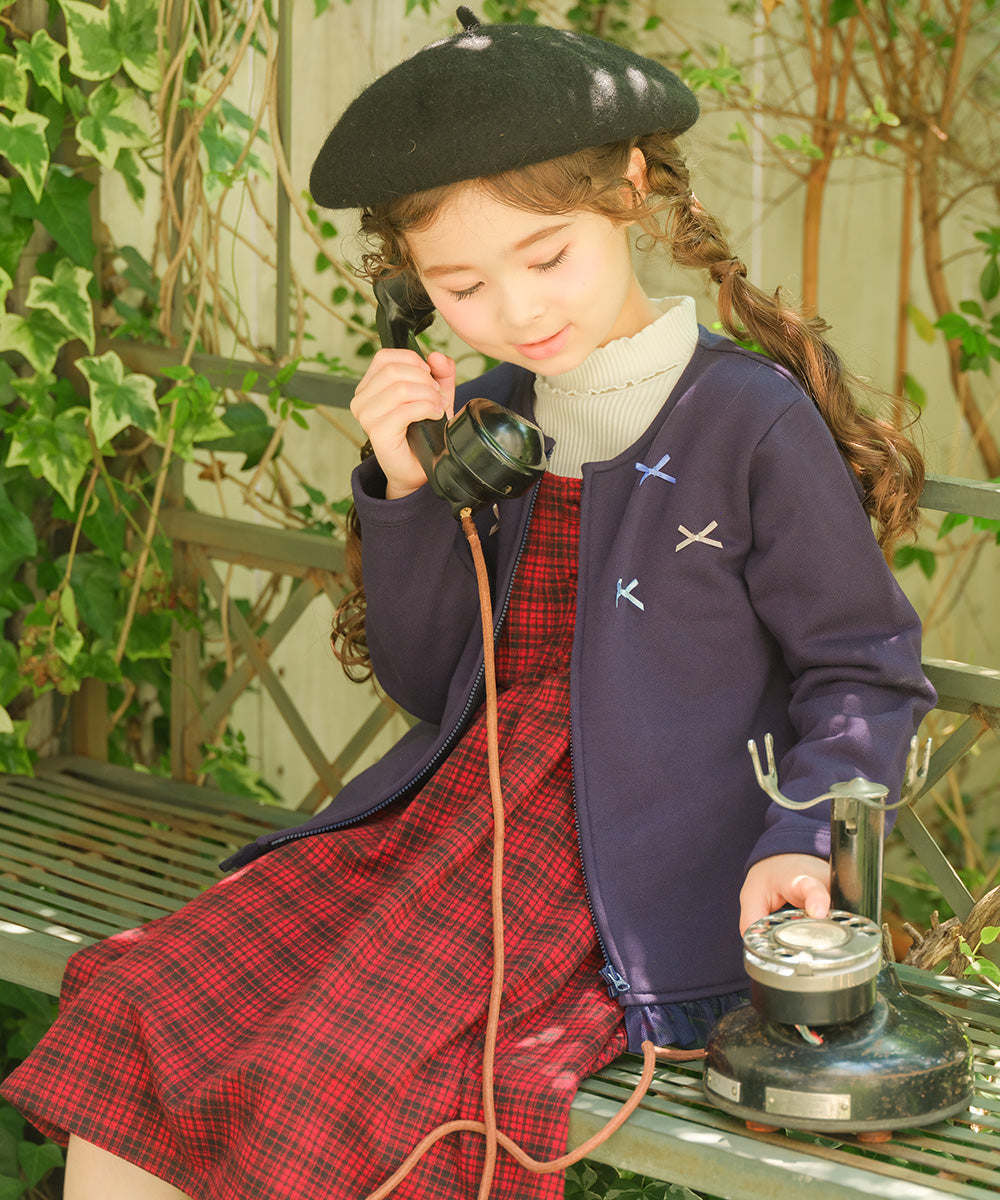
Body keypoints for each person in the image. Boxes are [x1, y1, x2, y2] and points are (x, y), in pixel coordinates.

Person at [1, 9, 935, 1200]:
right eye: (461, 286)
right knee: (146, 996)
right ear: (412, 286)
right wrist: (407, 487)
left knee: (336, 1073)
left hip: (617, 870)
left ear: (629, 191)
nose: (518, 312)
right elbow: (427, 680)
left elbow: (862, 668)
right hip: (445, 825)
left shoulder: (746, 423)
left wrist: (799, 835)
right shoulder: (491, 416)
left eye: (547, 258)